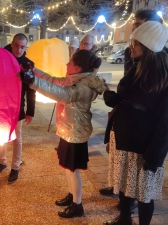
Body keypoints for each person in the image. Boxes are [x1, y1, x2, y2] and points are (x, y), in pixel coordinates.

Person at [19, 49, 108, 218]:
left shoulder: (82, 86)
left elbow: (62, 94)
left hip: (75, 133)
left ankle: (78, 204)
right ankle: (72, 194)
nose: (66, 64)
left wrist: (33, 81)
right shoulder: (76, 79)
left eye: (70, 62)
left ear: (77, 67)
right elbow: (53, 81)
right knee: (68, 167)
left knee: (72, 169)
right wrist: (35, 71)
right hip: (69, 130)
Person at [103, 21, 168, 225]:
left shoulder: (162, 77)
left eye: (135, 43)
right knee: (124, 185)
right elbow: (133, 97)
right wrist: (117, 99)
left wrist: (155, 154)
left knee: (144, 193)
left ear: (148, 47)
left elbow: (165, 122)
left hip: (145, 146)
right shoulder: (137, 66)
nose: (131, 46)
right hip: (125, 140)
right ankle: (124, 219)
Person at [0, 33, 36, 184]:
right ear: (12, 44)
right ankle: (2, 162)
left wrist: (30, 111)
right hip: (0, 106)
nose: (19, 49)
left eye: (22, 47)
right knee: (0, 137)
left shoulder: (28, 64)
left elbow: (31, 89)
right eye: (16, 45)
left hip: (17, 107)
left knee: (17, 138)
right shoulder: (1, 58)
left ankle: (15, 167)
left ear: (26, 47)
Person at [124, 9, 166, 74]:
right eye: (133, 25)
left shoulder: (164, 58)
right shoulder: (129, 51)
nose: (133, 29)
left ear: (153, 28)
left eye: (138, 25)